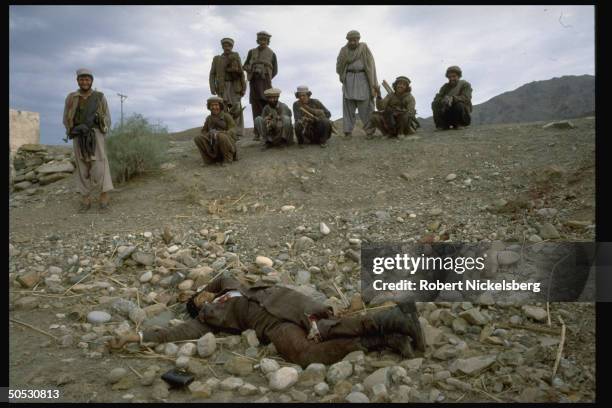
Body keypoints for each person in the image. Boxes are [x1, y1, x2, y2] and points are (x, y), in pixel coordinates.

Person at [108, 274, 426, 368]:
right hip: (271, 325)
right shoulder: (208, 322)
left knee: (325, 326)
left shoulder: (228, 285)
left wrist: (204, 289)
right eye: (197, 303)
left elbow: (222, 276)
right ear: (198, 310)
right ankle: (385, 337)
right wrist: (136, 337)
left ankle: (391, 320)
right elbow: (173, 333)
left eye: (201, 296)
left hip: (285, 301)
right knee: (305, 354)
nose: (202, 300)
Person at [62, 68, 114, 213]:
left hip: (95, 134)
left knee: (100, 165)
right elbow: (66, 117)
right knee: (82, 166)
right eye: (81, 79)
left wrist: (102, 130)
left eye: (87, 79)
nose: (84, 82)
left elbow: (108, 117)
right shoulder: (71, 97)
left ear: (91, 81)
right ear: (77, 81)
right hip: (78, 135)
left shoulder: (99, 97)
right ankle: (85, 200)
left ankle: (104, 198)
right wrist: (71, 130)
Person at [336, 30, 379, 139]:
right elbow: (339, 65)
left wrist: (373, 85)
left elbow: (371, 65)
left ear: (358, 39)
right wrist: (344, 75)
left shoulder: (364, 48)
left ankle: (369, 131)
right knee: (348, 107)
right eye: (351, 40)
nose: (353, 42)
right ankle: (347, 132)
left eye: (355, 40)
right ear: (348, 40)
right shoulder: (343, 51)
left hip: (362, 79)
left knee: (365, 107)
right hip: (349, 79)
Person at [243, 31, 278, 141]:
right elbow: (245, 65)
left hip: (266, 82)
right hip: (254, 81)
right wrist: (251, 69)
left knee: (267, 105)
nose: (263, 42)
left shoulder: (272, 54)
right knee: (255, 105)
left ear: (268, 41)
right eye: (261, 40)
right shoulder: (251, 52)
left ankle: (269, 130)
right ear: (258, 40)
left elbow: (275, 70)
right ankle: (257, 132)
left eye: (265, 40)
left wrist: (267, 75)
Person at [209, 37, 246, 140]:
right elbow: (212, 74)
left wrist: (244, 88)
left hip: (235, 87)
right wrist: (212, 87)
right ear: (222, 47)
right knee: (223, 109)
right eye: (225, 45)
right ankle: (226, 131)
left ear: (232, 46)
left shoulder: (236, 56)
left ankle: (237, 132)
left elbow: (241, 73)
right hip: (222, 87)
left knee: (237, 107)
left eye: (229, 45)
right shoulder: (217, 59)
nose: (227, 47)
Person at [193, 96, 237, 166]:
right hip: (212, 142)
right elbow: (203, 131)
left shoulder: (226, 116)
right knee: (198, 138)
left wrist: (222, 133)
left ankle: (228, 159)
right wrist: (210, 134)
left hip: (226, 141)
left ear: (220, 105)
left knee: (221, 136)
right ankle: (208, 160)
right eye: (212, 105)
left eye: (216, 105)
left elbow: (233, 129)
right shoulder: (209, 118)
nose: (214, 107)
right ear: (209, 107)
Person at [431, 66, 473, 130]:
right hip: (448, 114)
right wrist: (443, 100)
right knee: (435, 103)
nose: (451, 79)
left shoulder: (465, 85)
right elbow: (437, 98)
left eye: (454, 76)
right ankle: (442, 125)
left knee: (459, 104)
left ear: (459, 76)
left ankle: (460, 124)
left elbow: (466, 98)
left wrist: (453, 99)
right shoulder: (445, 87)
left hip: (461, 114)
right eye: (449, 77)